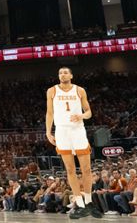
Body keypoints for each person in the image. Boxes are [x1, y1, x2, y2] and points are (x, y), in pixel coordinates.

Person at [46, 67, 102, 219]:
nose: (62, 74)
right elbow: (49, 113)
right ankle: (80, 204)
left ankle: (89, 202)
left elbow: (89, 112)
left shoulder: (80, 90)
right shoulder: (51, 91)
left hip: (78, 131)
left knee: (86, 169)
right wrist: (48, 132)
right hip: (62, 132)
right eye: (60, 73)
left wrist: (82, 115)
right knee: (70, 170)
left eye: (65, 72)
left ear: (71, 75)